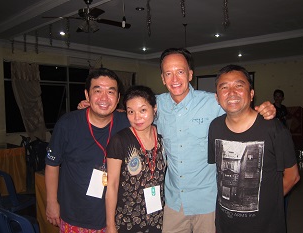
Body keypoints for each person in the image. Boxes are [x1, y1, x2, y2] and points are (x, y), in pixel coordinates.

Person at [78, 48, 276, 233]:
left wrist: (263, 110)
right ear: (162, 78)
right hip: (173, 202)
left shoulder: (212, 102)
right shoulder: (156, 104)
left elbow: (239, 111)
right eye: (168, 73)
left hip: (206, 202)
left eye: (180, 72)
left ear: (190, 74)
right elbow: (135, 111)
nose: (175, 79)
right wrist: (96, 108)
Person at [208, 64, 300, 233]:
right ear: (217, 97)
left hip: (265, 226)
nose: (232, 92)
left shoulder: (273, 129)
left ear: (251, 94)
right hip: (225, 225)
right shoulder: (215, 127)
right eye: (224, 87)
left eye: (239, 85)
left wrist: (267, 207)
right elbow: (220, 174)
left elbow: (292, 176)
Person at [45, 68, 130, 232]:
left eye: (110, 92)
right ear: (87, 95)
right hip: (75, 216)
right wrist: (51, 202)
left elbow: (147, 112)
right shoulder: (67, 124)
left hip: (117, 217)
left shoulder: (126, 123)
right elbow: (52, 165)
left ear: (118, 97)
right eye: (97, 91)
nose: (104, 98)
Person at [105, 85, 165, 233]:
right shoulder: (120, 140)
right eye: (131, 112)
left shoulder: (163, 136)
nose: (137, 117)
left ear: (154, 109)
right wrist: (110, 225)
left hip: (159, 217)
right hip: (128, 220)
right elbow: (111, 185)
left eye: (143, 110)